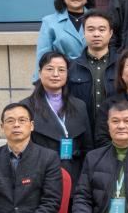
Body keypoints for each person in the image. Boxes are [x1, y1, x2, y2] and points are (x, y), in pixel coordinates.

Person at [22, 52, 94, 183]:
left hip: (76, 177)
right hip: (42, 177)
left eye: (61, 70)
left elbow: (87, 147)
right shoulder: (26, 107)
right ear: (40, 73)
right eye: (50, 69)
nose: (55, 74)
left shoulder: (79, 106)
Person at [34, 0, 93, 72]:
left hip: (92, 75)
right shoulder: (50, 22)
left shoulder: (97, 19)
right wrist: (39, 79)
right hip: (62, 75)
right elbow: (42, 57)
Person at [67, 10, 118, 115]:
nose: (96, 34)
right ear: (84, 33)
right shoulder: (71, 67)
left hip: (116, 123)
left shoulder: (123, 65)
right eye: (91, 29)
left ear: (110, 33)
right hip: (82, 124)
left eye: (102, 30)